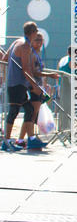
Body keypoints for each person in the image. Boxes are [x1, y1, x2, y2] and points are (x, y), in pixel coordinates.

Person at [2, 22, 46, 151]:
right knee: (14, 111)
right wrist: (35, 86)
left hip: (16, 83)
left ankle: (31, 139)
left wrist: (7, 74)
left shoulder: (17, 42)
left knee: (29, 110)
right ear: (33, 33)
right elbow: (26, 70)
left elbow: (4, 58)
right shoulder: (25, 46)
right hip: (17, 84)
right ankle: (6, 142)